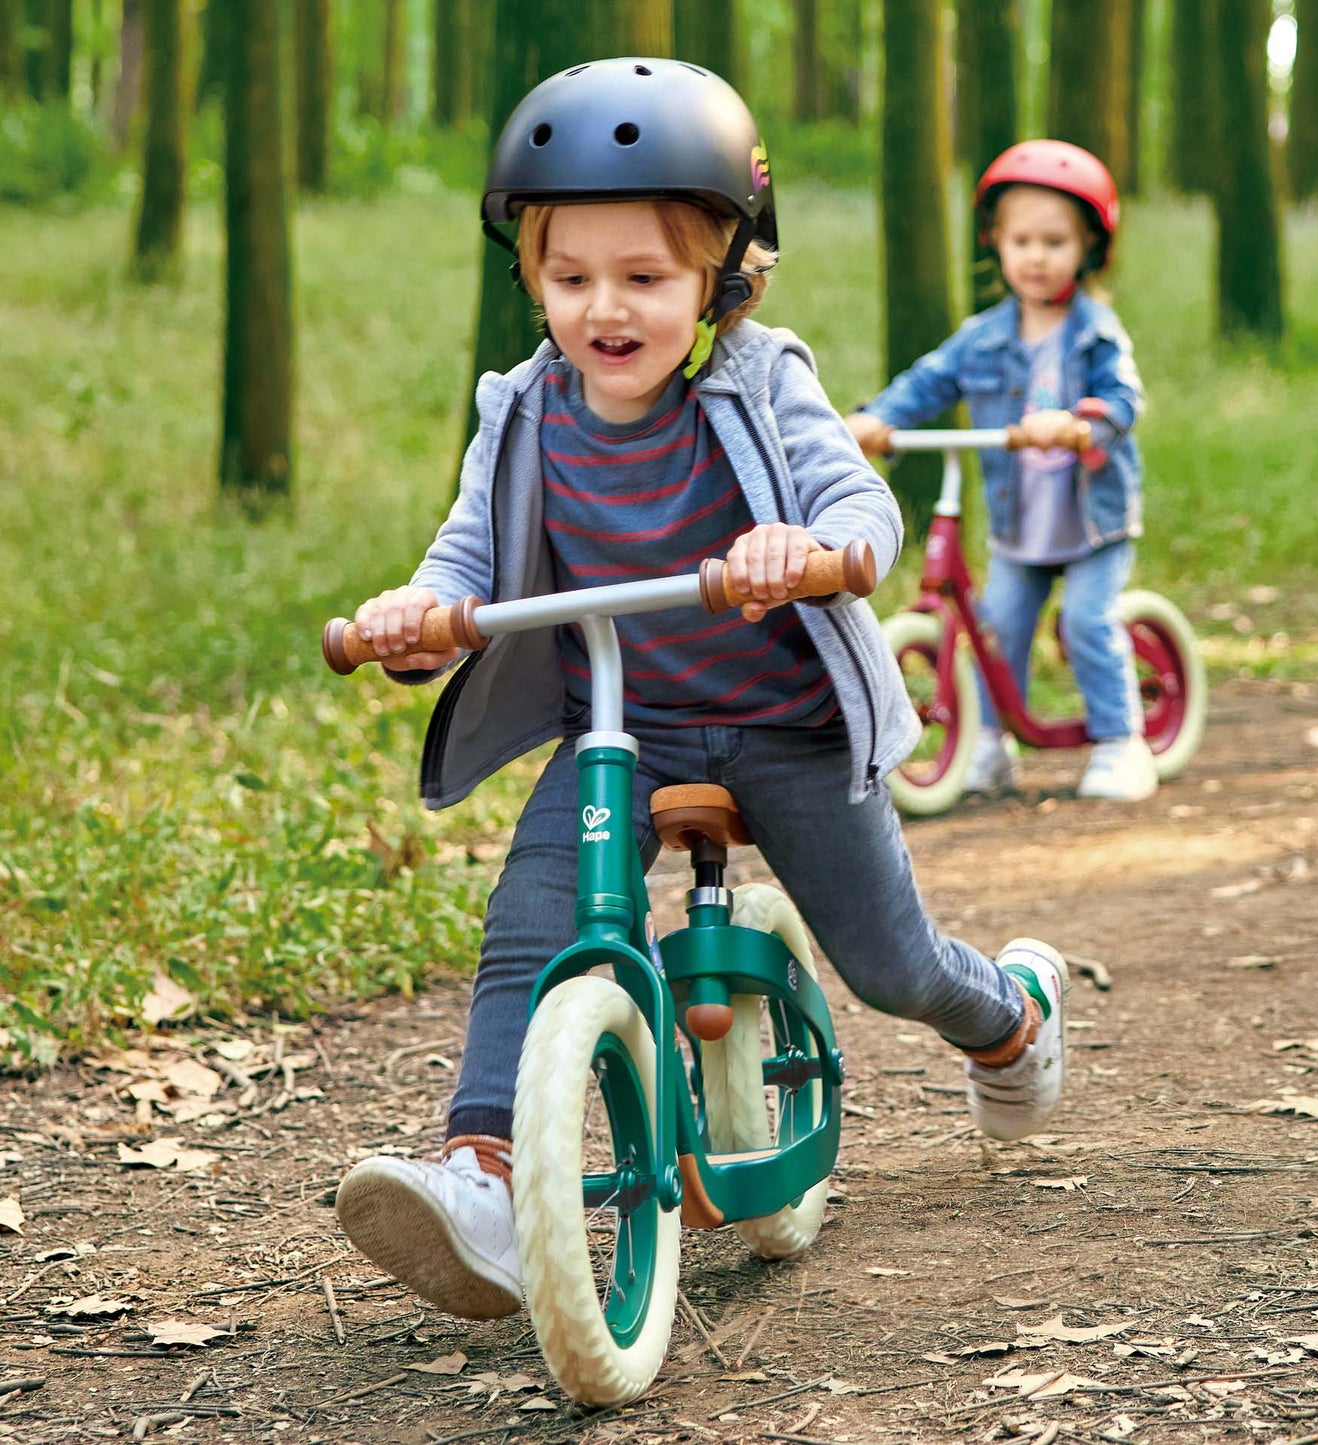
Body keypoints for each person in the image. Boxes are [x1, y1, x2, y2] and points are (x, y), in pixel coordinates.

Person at [332, 59, 1070, 1323]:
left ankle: (1006, 1013)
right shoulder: (521, 412)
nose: (602, 310)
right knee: (530, 923)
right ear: (531, 276)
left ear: (723, 276)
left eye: (644, 279)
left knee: (888, 963)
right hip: (621, 722)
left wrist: (806, 550)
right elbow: (464, 558)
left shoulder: (762, 379)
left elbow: (858, 507)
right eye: (569, 278)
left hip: (785, 724)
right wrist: (413, 617)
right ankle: (485, 1181)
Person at [847, 140, 1154, 803]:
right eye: (1021, 240)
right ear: (996, 243)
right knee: (996, 629)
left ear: (1088, 248)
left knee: (1085, 623)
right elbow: (930, 379)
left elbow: (1123, 398)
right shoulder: (982, 336)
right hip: (1023, 528)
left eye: (1054, 241)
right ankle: (986, 746)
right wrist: (875, 418)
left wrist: (1080, 422)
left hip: (1091, 521)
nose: (1036, 256)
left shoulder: (1094, 330)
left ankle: (1121, 741)